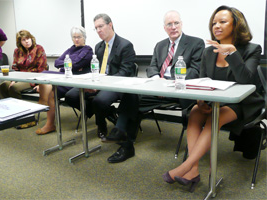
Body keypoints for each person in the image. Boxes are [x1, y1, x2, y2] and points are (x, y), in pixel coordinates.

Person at [162, 5, 264, 193]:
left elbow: (247, 81)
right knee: (194, 111)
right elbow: (203, 81)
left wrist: (232, 53)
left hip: (242, 103)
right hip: (214, 100)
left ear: (236, 25)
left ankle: (187, 165)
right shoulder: (208, 52)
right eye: (214, 23)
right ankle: (193, 170)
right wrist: (201, 100)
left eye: (222, 22)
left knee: (216, 116)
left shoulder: (252, 49)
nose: (216, 26)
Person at [102, 10, 205, 163]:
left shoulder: (195, 43)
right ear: (164, 28)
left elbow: (195, 71)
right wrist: (158, 81)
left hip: (179, 91)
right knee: (132, 94)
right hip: (158, 88)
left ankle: (122, 135)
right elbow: (152, 68)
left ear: (181, 24)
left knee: (133, 104)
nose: (173, 27)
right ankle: (124, 140)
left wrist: (168, 83)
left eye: (176, 23)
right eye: (169, 24)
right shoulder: (160, 45)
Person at [65, 13, 136, 138]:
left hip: (116, 84)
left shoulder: (125, 45)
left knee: (99, 101)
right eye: (96, 28)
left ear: (110, 25)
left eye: (100, 26)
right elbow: (96, 68)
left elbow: (125, 72)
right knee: (70, 96)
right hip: (98, 81)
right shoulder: (99, 46)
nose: (98, 30)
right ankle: (108, 112)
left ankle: (101, 124)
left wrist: (101, 86)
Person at [35, 26, 93, 135]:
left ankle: (45, 109)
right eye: (74, 37)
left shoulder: (87, 50)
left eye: (79, 37)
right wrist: (70, 64)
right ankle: (49, 121)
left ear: (84, 37)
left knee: (51, 90)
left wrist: (69, 64)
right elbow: (57, 62)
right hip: (64, 75)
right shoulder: (71, 49)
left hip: (75, 79)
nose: (76, 39)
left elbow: (77, 64)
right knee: (44, 76)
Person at [0, 30, 47, 99]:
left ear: (31, 39)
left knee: (14, 88)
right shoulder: (17, 51)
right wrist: (14, 80)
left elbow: (42, 68)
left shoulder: (38, 49)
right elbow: (15, 67)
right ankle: (10, 105)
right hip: (19, 77)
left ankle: (20, 107)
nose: (27, 41)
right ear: (20, 42)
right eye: (24, 40)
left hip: (32, 79)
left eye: (28, 38)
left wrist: (40, 85)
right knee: (2, 86)